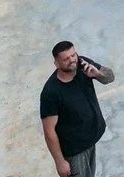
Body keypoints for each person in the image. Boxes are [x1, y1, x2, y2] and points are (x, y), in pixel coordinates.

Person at [40, 40, 115, 177]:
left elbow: (110, 77)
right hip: (74, 150)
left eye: (73, 55)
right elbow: (49, 131)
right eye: (66, 59)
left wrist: (98, 74)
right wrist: (60, 162)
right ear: (56, 64)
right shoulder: (51, 92)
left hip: (91, 139)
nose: (72, 60)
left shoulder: (83, 65)